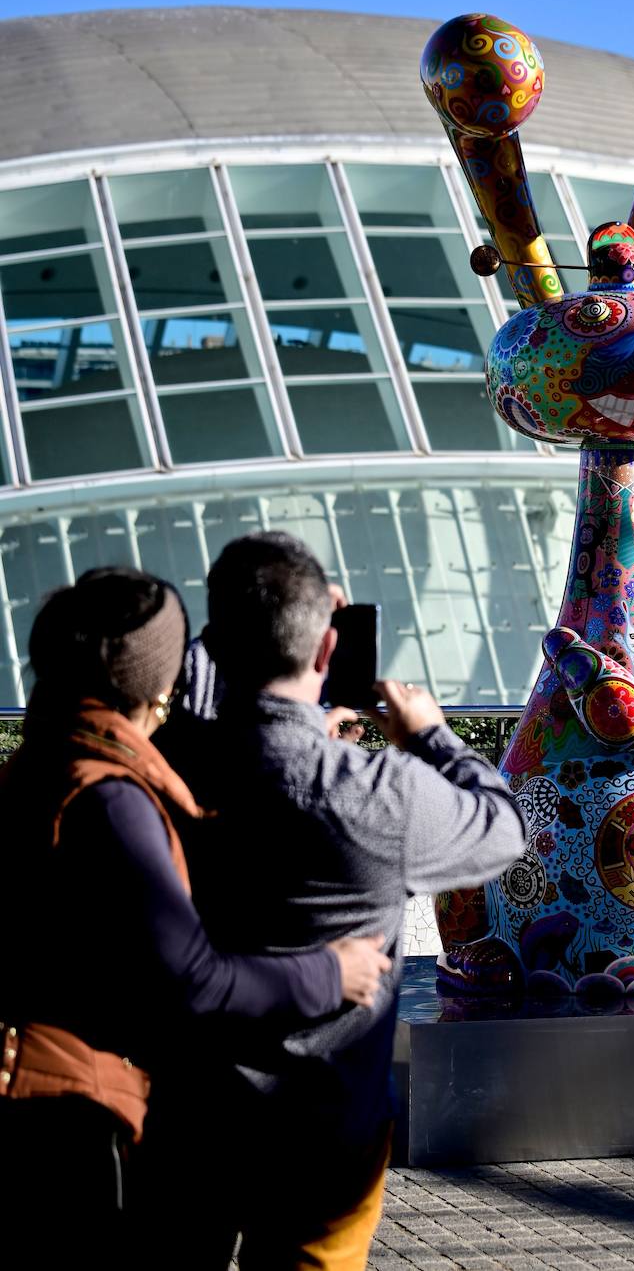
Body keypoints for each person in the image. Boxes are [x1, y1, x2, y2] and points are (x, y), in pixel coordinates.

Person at [152, 531, 527, 1270]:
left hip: (186, 1119)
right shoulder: (375, 794)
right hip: (324, 1135)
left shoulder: (165, 764)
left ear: (216, 639)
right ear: (328, 649)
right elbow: (503, 828)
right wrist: (430, 737)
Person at [0, 567, 391, 1270]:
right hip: (76, 1119)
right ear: (157, 683)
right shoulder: (109, 797)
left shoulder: (45, 759)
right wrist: (332, 972)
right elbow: (194, 981)